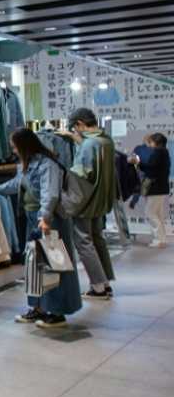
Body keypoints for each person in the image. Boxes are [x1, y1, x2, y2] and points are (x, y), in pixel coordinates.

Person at [0, 128, 82, 329]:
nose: (13, 150)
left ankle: (57, 312)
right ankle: (37, 307)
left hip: (50, 220)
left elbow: (50, 193)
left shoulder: (47, 164)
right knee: (34, 266)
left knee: (55, 265)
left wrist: (45, 218)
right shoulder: (28, 164)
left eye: (14, 146)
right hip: (34, 219)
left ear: (24, 146)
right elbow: (18, 183)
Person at [67, 108, 117, 299]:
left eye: (75, 127)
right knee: (97, 239)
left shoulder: (89, 145)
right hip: (101, 198)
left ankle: (98, 287)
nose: (75, 131)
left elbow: (81, 173)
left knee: (84, 242)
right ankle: (105, 282)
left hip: (86, 200)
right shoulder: (106, 140)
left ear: (80, 124)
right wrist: (75, 140)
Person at [130, 132, 171, 248]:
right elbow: (152, 167)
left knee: (150, 213)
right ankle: (161, 239)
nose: (149, 143)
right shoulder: (164, 152)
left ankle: (159, 239)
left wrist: (137, 163)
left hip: (156, 188)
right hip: (161, 187)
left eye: (151, 141)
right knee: (158, 214)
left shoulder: (158, 153)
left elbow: (150, 168)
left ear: (156, 142)